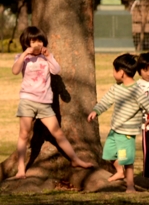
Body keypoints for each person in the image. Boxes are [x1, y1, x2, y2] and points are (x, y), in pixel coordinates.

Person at [11, 26, 94, 178]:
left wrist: (49, 56)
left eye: (40, 40)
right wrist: (24, 54)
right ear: (26, 42)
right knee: (23, 134)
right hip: (27, 100)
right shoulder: (23, 57)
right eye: (33, 40)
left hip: (44, 103)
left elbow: (56, 70)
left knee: (58, 133)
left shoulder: (46, 57)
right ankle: (21, 168)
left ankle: (75, 160)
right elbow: (15, 70)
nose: (37, 43)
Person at [87, 54, 149, 193]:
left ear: (122, 72)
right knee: (108, 154)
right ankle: (119, 171)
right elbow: (106, 101)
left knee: (127, 160)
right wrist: (96, 111)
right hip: (115, 129)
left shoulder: (137, 91)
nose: (113, 73)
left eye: (114, 70)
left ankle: (130, 186)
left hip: (127, 133)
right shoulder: (116, 88)